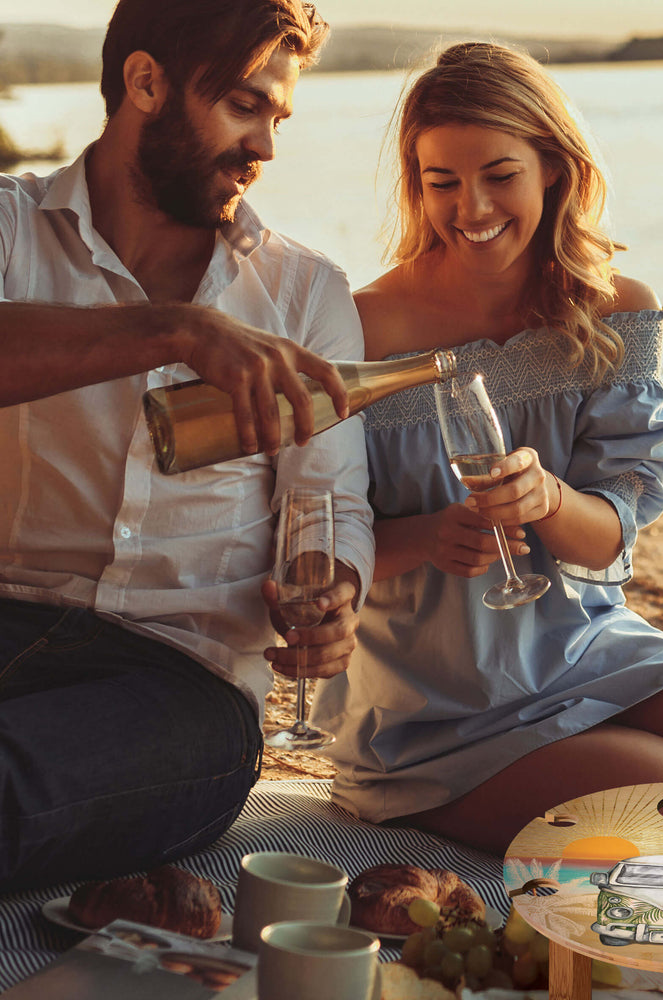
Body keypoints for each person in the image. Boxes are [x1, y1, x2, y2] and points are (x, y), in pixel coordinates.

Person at [308, 42, 663, 857]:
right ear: (415, 185)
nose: (471, 206)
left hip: (580, 643)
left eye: (499, 174)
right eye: (440, 181)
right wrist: (424, 538)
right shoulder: (363, 328)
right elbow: (317, 535)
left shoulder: (611, 311)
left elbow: (612, 535)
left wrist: (551, 500)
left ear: (552, 167)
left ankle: (626, 759)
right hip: (437, 699)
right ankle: (417, 796)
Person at [0, 0, 373, 891]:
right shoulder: (9, 228)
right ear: (144, 82)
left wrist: (333, 585)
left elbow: (334, 499)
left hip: (185, 678)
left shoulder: (306, 291)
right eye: (245, 106)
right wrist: (172, 331)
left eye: (278, 117)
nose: (268, 148)